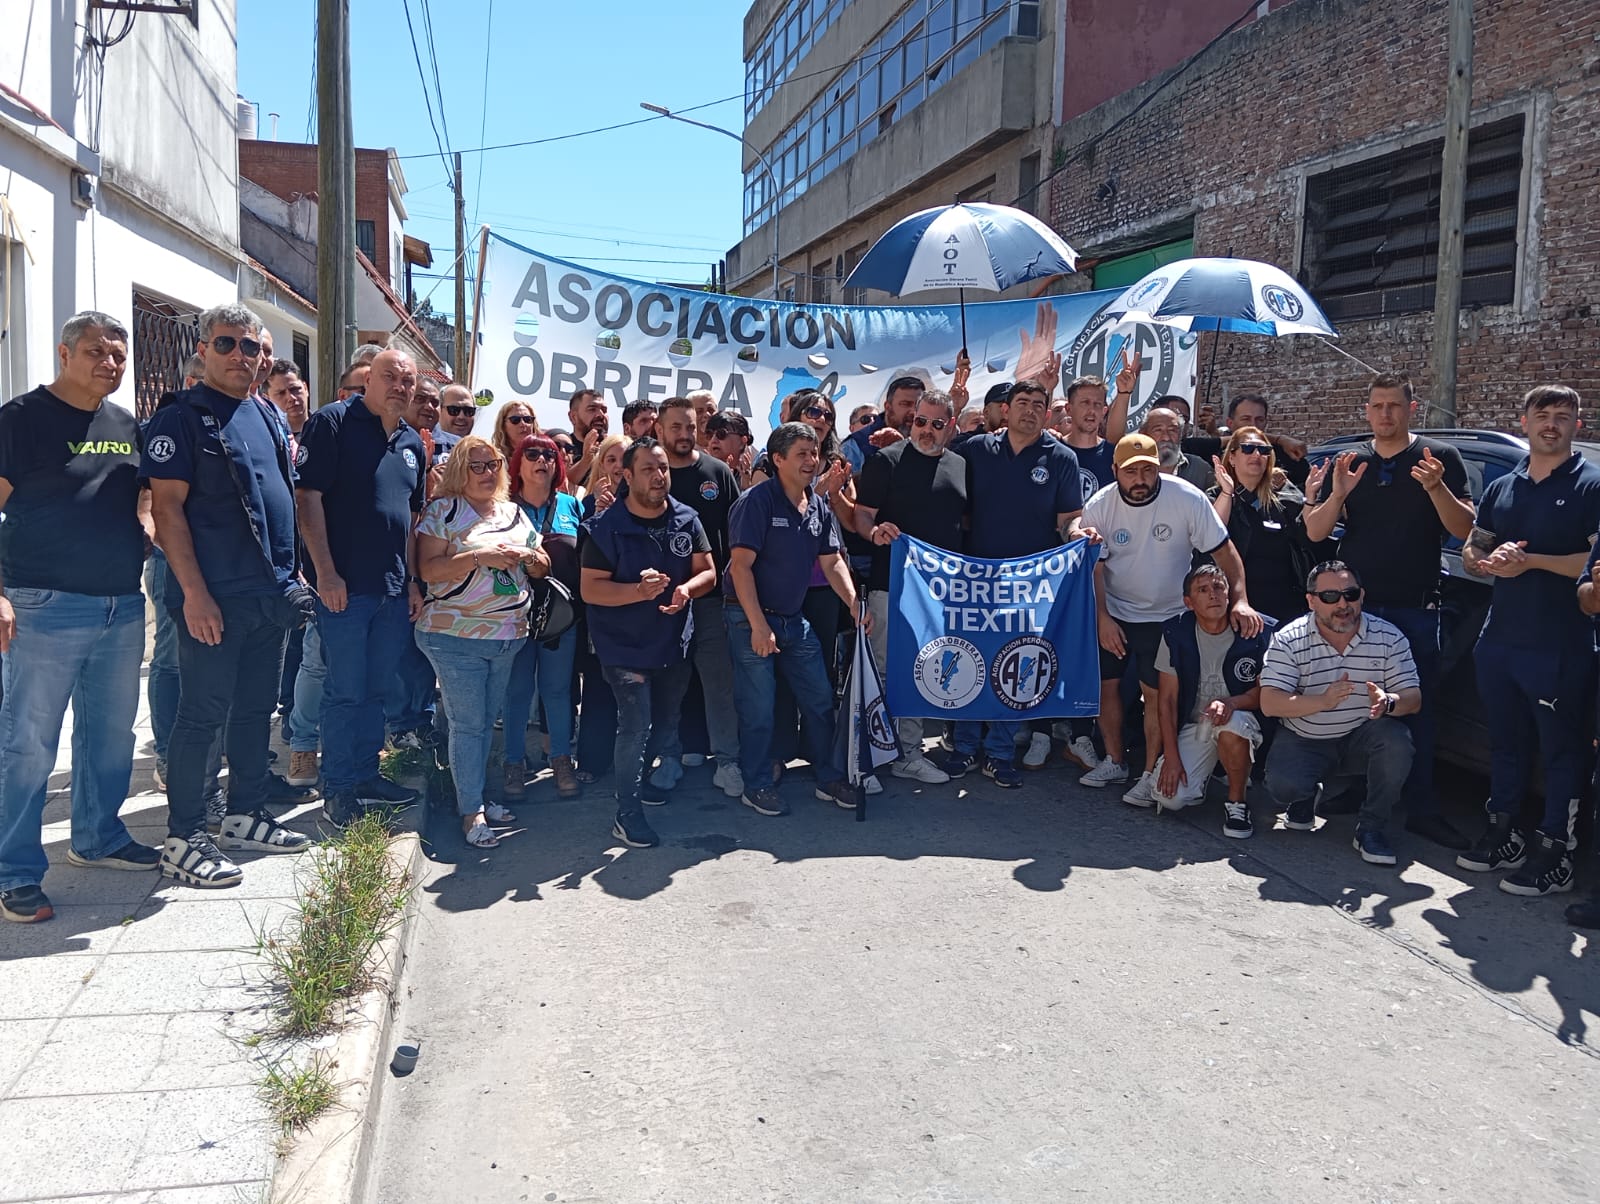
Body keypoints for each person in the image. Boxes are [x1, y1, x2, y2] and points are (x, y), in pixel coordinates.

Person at [143, 303, 313, 888]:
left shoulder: (263, 412)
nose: (241, 356)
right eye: (227, 344)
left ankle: (245, 813)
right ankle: (184, 835)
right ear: (203, 350)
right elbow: (166, 511)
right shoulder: (182, 419)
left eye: (250, 346)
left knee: (254, 710)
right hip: (212, 598)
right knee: (200, 717)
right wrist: (193, 593)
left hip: (268, 596)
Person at [0, 312, 160, 922]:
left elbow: (140, 489)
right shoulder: (21, 419)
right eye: (96, 352)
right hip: (43, 603)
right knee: (28, 745)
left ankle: (97, 837)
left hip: (120, 605)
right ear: (64, 353)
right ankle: (15, 870)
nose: (110, 364)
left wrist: (145, 517)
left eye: (118, 356)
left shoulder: (125, 424)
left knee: (110, 736)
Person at [1302, 372, 1475, 850]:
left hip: (1414, 609)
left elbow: (1464, 527)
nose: (1385, 415)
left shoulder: (1439, 458)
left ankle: (1422, 809)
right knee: (1355, 703)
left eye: (1394, 406)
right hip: (1354, 610)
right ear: (1367, 410)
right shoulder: (1352, 461)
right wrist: (1336, 492)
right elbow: (1317, 534)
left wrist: (1437, 488)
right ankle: (1357, 788)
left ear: (1411, 408)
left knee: (1417, 711)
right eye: (1377, 406)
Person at [1458, 386, 1600, 896]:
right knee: (1506, 743)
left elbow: (1590, 566)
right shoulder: (1505, 485)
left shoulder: (1591, 485)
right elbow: (1477, 544)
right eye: (1542, 416)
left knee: (1561, 752)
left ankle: (1555, 852)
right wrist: (1482, 561)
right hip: (1500, 639)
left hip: (1559, 642)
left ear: (1576, 426)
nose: (1552, 425)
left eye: (1563, 418)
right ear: (1524, 422)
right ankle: (1504, 833)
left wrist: (1532, 560)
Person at [1079, 433, 1262, 799]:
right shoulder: (1099, 504)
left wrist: (1240, 600)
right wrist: (1102, 618)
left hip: (1168, 615)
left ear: (1159, 468)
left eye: (1148, 470)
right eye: (1131, 472)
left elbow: (1225, 553)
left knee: (1157, 694)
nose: (1140, 480)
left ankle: (1149, 772)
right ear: (1115, 471)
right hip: (1115, 610)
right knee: (1106, 686)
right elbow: (1093, 569)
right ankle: (1115, 760)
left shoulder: (1186, 497)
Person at [296, 348, 427, 826]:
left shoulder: (412, 441)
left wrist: (412, 582)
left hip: (393, 590)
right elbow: (307, 498)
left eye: (408, 381)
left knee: (376, 690)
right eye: (390, 376)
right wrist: (325, 573)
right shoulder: (331, 423)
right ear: (368, 379)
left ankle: (366, 773)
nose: (400, 386)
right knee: (345, 690)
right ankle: (338, 787)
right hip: (345, 588)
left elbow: (411, 521)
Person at [937, 377, 1088, 788]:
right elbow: (935, 463)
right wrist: (955, 404)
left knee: (1015, 666)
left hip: (1029, 584)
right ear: (1006, 408)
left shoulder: (1060, 457)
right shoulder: (975, 448)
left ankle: (1000, 753)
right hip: (974, 578)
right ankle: (965, 748)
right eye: (1023, 402)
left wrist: (1077, 534)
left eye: (1040, 404)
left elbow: (1068, 518)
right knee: (971, 660)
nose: (1031, 410)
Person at [581, 437, 716, 848]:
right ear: (627, 475)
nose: (659, 477)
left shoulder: (687, 519)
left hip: (673, 642)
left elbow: (708, 571)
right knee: (635, 726)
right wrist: (637, 593)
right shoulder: (606, 527)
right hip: (622, 646)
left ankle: (639, 786)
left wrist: (687, 591)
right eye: (649, 470)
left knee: (665, 722)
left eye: (663, 469)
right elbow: (590, 589)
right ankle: (628, 812)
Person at [414, 435, 547, 848]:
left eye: (493, 464)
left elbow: (541, 565)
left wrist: (533, 559)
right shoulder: (442, 511)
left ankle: (477, 798)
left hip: (507, 636)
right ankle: (471, 812)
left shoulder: (513, 511)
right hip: (455, 636)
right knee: (469, 726)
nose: (488, 473)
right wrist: (479, 557)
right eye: (477, 466)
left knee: (482, 724)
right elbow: (429, 569)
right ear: (458, 469)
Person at [725, 422, 863, 816]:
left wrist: (853, 603)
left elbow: (832, 559)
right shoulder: (756, 502)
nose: (812, 460)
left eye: (815, 452)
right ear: (778, 459)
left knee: (820, 698)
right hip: (748, 616)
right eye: (802, 453)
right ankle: (756, 784)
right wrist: (757, 626)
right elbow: (740, 568)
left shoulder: (817, 503)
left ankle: (829, 775)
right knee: (759, 707)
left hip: (792, 618)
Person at [1260, 561, 1421, 866]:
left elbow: (1414, 699)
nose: (1343, 604)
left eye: (1350, 594)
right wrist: (1322, 701)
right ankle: (1305, 795)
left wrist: (1388, 701)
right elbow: (1270, 702)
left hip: (1361, 736)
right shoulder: (1288, 638)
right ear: (1311, 600)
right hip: (1305, 737)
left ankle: (1372, 828)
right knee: (1283, 787)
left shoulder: (1389, 637)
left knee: (1397, 741)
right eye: (1330, 596)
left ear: (1362, 596)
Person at [855, 389, 968, 785]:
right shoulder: (884, 462)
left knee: (925, 671)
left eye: (937, 424)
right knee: (885, 671)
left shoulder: (960, 465)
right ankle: (868, 755)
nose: (926, 430)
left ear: (950, 427)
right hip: (892, 584)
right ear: (911, 420)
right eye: (920, 421)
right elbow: (861, 517)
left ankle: (907, 753)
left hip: (940, 593)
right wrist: (875, 533)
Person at [749, 390, 861, 787]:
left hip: (821, 587)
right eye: (813, 411)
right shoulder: (769, 466)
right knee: (776, 678)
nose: (821, 417)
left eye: (828, 414)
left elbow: (844, 528)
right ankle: (777, 754)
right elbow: (759, 524)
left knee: (818, 679)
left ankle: (821, 758)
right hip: (777, 593)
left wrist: (829, 490)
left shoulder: (833, 466)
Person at [648, 398, 745, 797]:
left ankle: (727, 762)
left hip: (709, 600)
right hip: (659, 602)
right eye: (676, 428)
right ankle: (668, 756)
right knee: (669, 684)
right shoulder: (646, 473)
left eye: (690, 427)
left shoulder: (717, 472)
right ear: (659, 430)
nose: (685, 435)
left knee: (719, 684)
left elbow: (738, 533)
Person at [1150, 565, 1272, 836]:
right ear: (1189, 602)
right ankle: (1208, 772)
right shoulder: (1175, 632)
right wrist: (1170, 756)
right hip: (1199, 724)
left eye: (1219, 587)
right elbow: (1167, 700)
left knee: (1232, 725)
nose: (1213, 595)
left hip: (1239, 718)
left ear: (1230, 595)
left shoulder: (1257, 630)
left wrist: (1231, 703)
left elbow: (1267, 693)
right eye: (1203, 590)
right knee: (1169, 797)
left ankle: (1237, 802)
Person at [502, 432, 583, 800]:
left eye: (549, 454)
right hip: (512, 614)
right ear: (519, 463)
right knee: (517, 692)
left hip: (559, 617)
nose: (542, 460)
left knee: (557, 690)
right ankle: (513, 763)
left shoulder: (571, 505)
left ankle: (561, 760)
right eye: (532, 453)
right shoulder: (502, 506)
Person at [1209, 427, 1315, 622]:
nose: (1257, 455)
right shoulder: (1215, 496)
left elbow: (1307, 536)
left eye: (1264, 450)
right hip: (1235, 605)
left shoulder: (1285, 497)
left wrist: (1310, 498)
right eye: (1248, 449)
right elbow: (1212, 534)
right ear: (1232, 457)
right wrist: (1227, 493)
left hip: (1285, 604)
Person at [842, 374, 924, 472]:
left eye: (918, 405)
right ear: (888, 407)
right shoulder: (854, 447)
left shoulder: (931, 437)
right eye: (905, 404)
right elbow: (845, 484)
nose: (913, 412)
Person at [1142, 405, 1215, 491]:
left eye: (1172, 430)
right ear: (1143, 434)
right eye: (1158, 430)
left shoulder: (1200, 468)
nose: (1166, 437)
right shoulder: (1134, 468)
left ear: (1181, 434)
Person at [577, 433, 628, 517]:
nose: (619, 465)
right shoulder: (590, 503)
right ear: (602, 466)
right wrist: (599, 514)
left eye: (625, 459)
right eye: (611, 460)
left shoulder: (644, 498)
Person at [566, 388, 610, 483]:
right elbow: (562, 483)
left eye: (604, 410)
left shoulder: (615, 448)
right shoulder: (563, 447)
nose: (600, 415)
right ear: (573, 417)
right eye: (592, 409)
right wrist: (586, 460)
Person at [706, 411, 756, 489]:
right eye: (709, 435)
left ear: (742, 441)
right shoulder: (699, 473)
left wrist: (746, 486)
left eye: (721, 434)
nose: (713, 440)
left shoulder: (758, 475)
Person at [265, 358, 309, 438]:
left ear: (305, 388)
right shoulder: (267, 438)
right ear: (267, 399)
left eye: (295, 389)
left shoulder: (326, 429)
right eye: (281, 393)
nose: (291, 398)